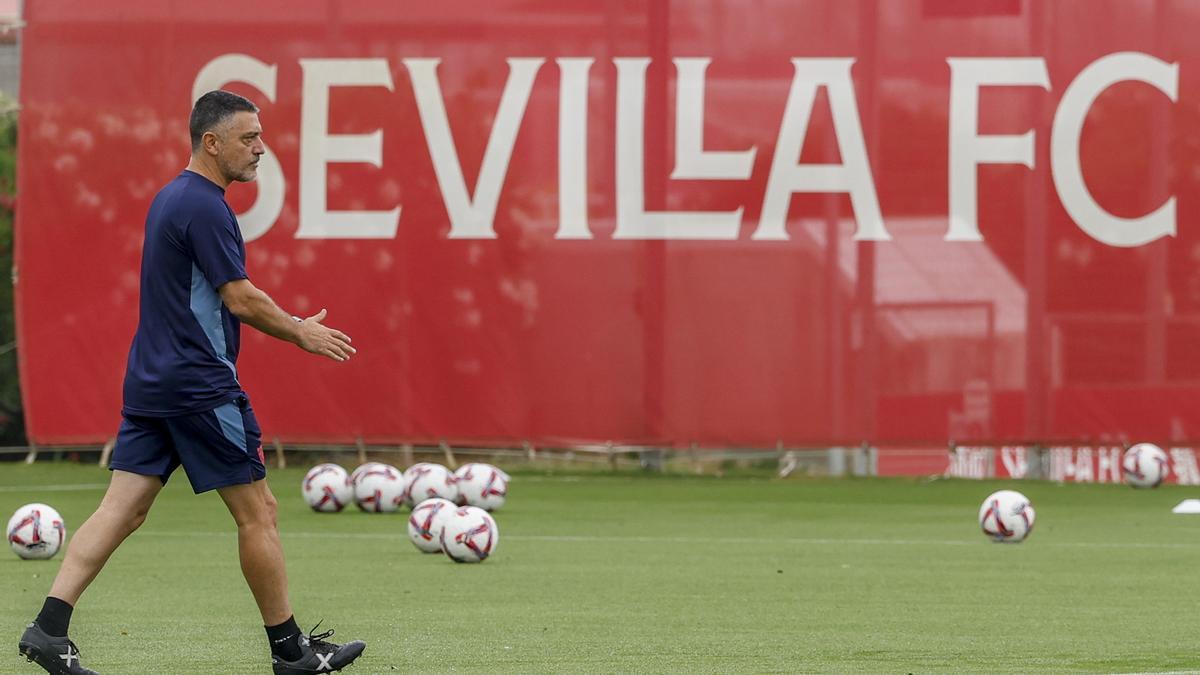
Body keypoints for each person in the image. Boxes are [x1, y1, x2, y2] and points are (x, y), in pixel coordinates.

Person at [17, 90, 365, 675]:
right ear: (211, 142)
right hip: (200, 388)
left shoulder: (171, 198)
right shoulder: (205, 206)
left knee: (122, 510)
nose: (260, 148)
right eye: (248, 138)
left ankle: (49, 628)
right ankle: (292, 653)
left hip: (152, 384)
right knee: (260, 514)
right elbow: (241, 298)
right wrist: (301, 331)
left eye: (260, 136)